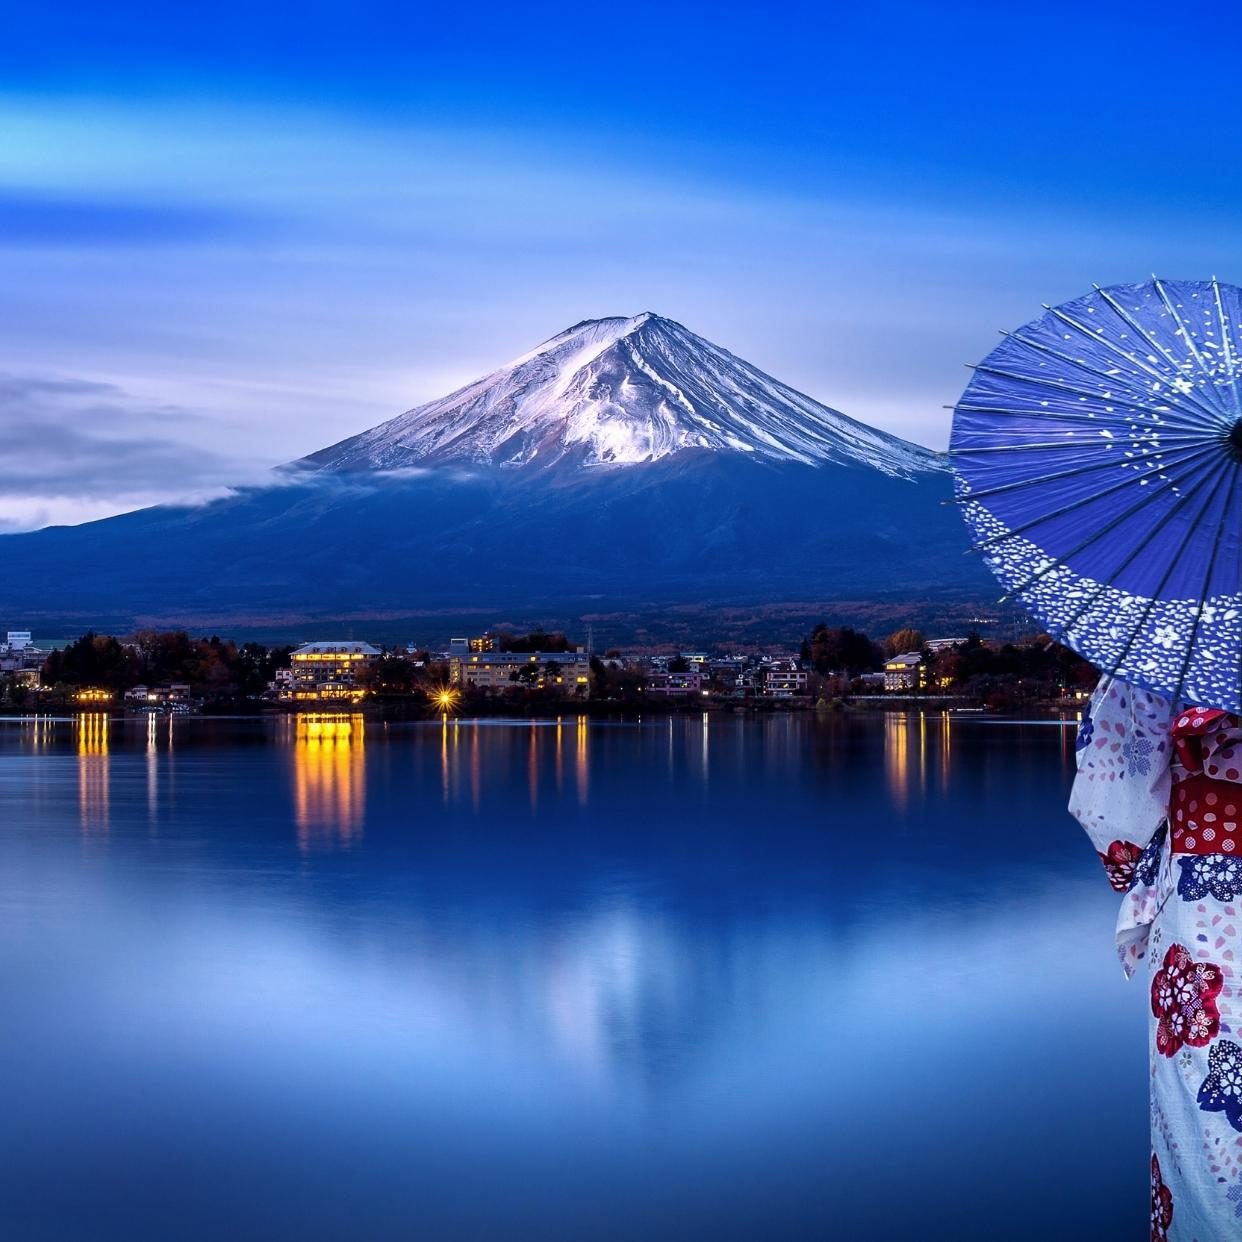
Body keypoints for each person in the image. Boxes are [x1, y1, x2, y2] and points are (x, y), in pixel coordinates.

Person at [1072, 676, 1242, 1239]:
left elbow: (1111, 797)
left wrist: (1129, 867)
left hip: (1213, 902)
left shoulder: (1179, 646)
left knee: (1212, 1122)